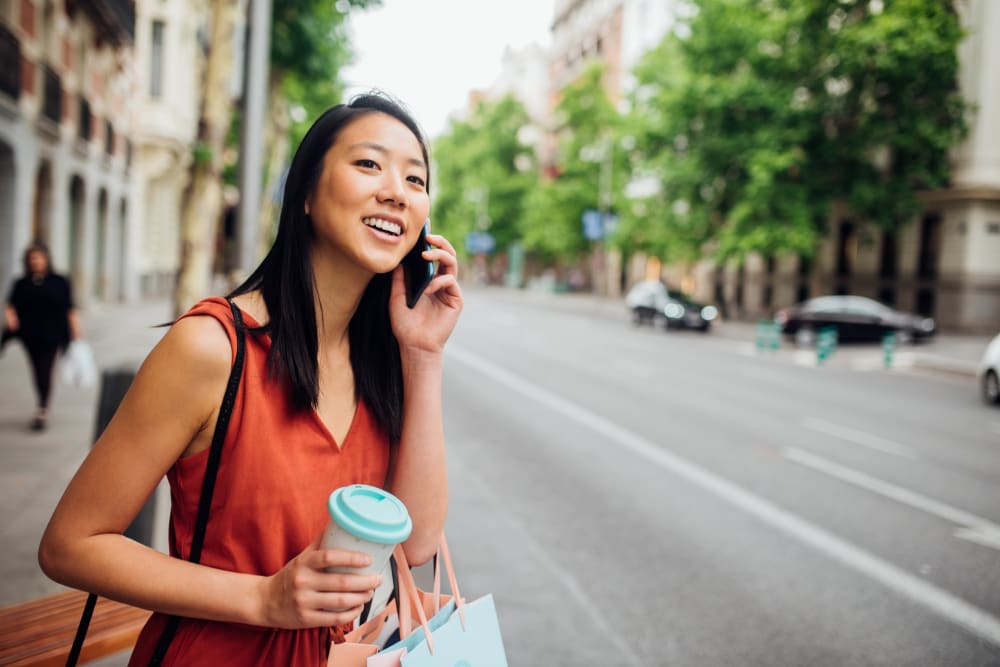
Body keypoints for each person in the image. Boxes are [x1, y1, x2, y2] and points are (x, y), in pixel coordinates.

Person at [38, 92, 463, 665]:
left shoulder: (384, 364)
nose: (395, 189)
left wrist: (424, 354)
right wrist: (264, 599)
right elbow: (70, 546)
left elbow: (414, 544)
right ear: (306, 193)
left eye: (415, 179)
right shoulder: (214, 347)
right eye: (368, 164)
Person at [4, 242, 81, 430]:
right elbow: (10, 304)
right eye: (32, 258)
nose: (35, 262)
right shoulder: (21, 283)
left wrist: (77, 332)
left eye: (38, 258)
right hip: (30, 335)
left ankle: (42, 408)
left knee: (45, 369)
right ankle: (42, 401)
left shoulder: (59, 281)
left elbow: (70, 308)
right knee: (37, 369)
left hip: (53, 334)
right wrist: (11, 319)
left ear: (46, 259)